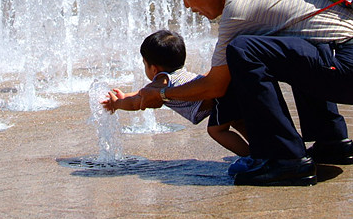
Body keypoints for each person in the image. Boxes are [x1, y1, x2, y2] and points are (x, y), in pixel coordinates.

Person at [132, 0, 353, 186]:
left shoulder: (238, 7)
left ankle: (285, 159)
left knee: (243, 50)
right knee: (295, 44)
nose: (187, 7)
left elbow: (215, 86)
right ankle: (332, 143)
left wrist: (163, 94)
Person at [101, 29, 254, 174]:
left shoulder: (162, 82)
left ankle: (251, 157)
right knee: (236, 121)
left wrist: (117, 104)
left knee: (216, 130)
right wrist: (125, 95)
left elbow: (139, 102)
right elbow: (143, 92)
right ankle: (260, 149)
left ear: (154, 69)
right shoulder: (174, 76)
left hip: (220, 100)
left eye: (144, 64)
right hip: (229, 93)